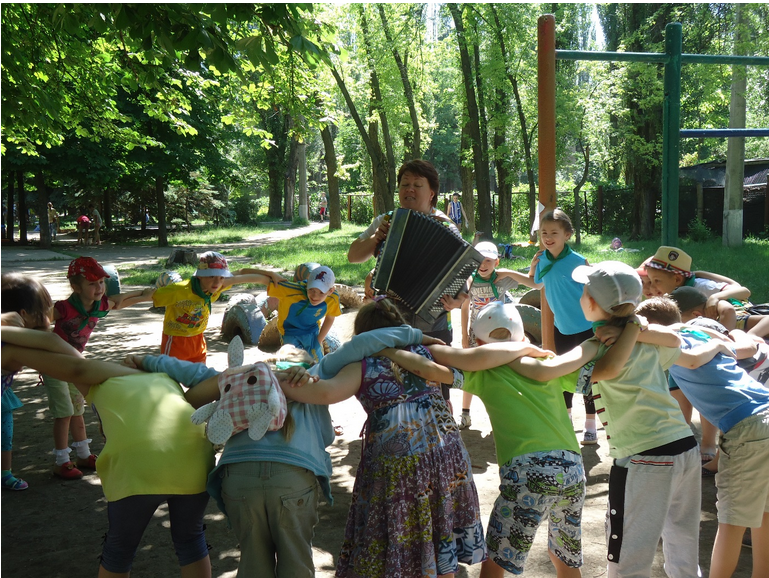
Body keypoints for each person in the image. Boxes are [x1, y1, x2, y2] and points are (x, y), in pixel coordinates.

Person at [378, 301, 600, 577]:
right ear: (522, 336)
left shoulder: (482, 370)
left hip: (528, 473)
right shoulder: (546, 362)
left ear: (479, 341)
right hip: (573, 471)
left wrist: (387, 349)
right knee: (564, 556)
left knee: (495, 561)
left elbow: (430, 370)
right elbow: (596, 373)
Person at [281, 297, 487, 578]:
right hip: (446, 454)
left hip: (398, 466)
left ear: (363, 335)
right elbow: (464, 358)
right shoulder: (425, 352)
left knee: (404, 534)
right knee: (440, 537)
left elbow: (325, 393)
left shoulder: (361, 366)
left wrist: (281, 380)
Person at [2, 324, 217, 578]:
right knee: (191, 540)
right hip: (196, 461)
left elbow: (76, 366)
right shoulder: (167, 382)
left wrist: (13, 354)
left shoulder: (109, 377)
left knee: (120, 549)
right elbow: (57, 346)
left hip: (138, 464)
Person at [573, 260, 733, 578]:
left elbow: (600, 374)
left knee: (627, 557)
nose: (581, 297)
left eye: (583, 291)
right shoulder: (648, 341)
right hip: (684, 448)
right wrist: (715, 344)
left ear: (592, 302)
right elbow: (686, 352)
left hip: (643, 457)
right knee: (683, 549)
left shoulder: (597, 347)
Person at [614, 296, 769, 578]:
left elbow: (688, 359)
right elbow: (745, 346)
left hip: (746, 426)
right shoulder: (696, 330)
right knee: (764, 514)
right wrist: (725, 337)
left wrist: (627, 326)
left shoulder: (673, 339)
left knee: (732, 519)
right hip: (765, 410)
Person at [348, 159, 467, 401]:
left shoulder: (447, 227)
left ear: (431, 193)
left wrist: (458, 301)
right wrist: (375, 238)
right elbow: (353, 256)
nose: (409, 189)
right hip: (387, 319)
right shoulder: (386, 220)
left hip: (431, 324)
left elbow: (463, 276)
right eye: (404, 184)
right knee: (389, 388)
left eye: (417, 184)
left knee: (436, 392)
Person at [43, 257, 156, 480]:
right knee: (64, 411)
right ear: (75, 287)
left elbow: (118, 302)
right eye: (92, 283)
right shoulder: (63, 308)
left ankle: (83, 455)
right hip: (53, 364)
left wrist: (145, 296)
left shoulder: (99, 305)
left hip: (74, 364)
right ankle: (61, 461)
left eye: (102, 282)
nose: (99, 288)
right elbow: (40, 320)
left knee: (77, 409)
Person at [527, 208, 598, 445]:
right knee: (563, 374)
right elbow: (536, 284)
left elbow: (594, 291)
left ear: (566, 234)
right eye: (544, 232)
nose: (548, 237)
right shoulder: (542, 259)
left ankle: (590, 425)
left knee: (588, 377)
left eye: (554, 232)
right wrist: (530, 267)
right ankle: (566, 421)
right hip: (562, 329)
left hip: (586, 328)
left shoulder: (578, 261)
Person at [457, 242, 539, 429]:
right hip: (475, 333)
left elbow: (534, 283)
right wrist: (464, 336)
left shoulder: (502, 278)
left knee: (501, 372)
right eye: (479, 260)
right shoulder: (470, 280)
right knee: (471, 370)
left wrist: (513, 271)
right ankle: (465, 413)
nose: (483, 265)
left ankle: (501, 415)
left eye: (488, 260)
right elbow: (464, 306)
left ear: (497, 261)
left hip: (500, 335)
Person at [152, 252, 284, 363]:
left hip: (198, 340)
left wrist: (271, 274)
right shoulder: (180, 290)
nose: (216, 282)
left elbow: (242, 273)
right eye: (211, 276)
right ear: (200, 276)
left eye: (220, 277)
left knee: (199, 380)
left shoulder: (217, 286)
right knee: (171, 381)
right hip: (176, 340)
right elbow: (145, 295)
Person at [1, 274, 59, 491]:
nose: (49, 316)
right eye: (44, 310)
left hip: (3, 395)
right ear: (23, 314)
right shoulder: (13, 345)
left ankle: (4, 472)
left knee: (5, 435)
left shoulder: (19, 337)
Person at [644, 245, 751, 319]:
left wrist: (715, 297)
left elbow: (744, 291)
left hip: (742, 317)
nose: (652, 288)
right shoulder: (674, 292)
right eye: (651, 281)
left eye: (657, 281)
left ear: (677, 279)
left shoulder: (701, 287)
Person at [265, 265, 341, 364]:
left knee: (317, 365)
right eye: (312, 290)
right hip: (289, 333)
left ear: (330, 291)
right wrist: (240, 275)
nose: (314, 296)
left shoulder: (333, 298)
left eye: (321, 292)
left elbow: (330, 317)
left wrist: (318, 340)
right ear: (307, 283)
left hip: (312, 333)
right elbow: (263, 280)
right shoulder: (291, 290)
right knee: (292, 364)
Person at [670, 285, 769, 339]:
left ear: (697, 315)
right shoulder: (726, 301)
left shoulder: (729, 320)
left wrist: (751, 336)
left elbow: (728, 311)